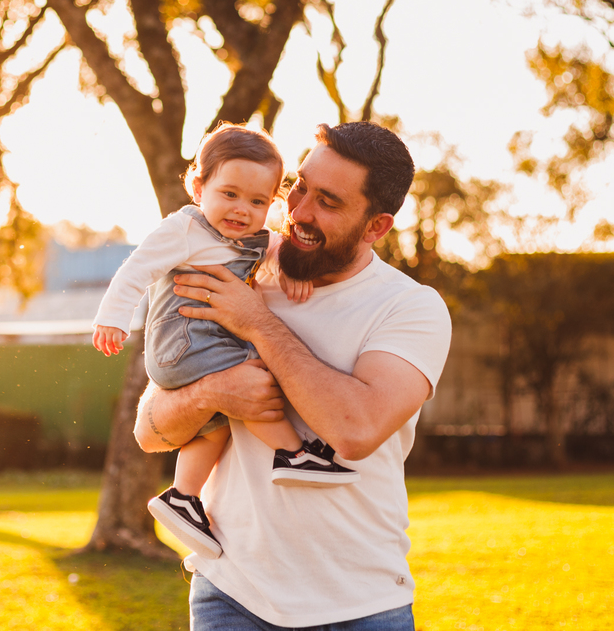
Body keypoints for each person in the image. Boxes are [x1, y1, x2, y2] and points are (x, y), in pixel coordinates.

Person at [134, 121, 452, 630]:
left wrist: (256, 322)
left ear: (376, 226)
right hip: (232, 597)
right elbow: (150, 432)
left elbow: (355, 429)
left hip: (361, 606)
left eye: (328, 202)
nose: (298, 212)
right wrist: (215, 390)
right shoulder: (233, 272)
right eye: (299, 186)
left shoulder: (410, 309)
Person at [93, 123, 358, 560]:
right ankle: (293, 453)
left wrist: (291, 271)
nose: (241, 210)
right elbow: (134, 270)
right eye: (229, 194)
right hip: (184, 342)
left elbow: (275, 249)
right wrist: (112, 319)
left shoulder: (253, 238)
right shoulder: (183, 230)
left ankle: (183, 496)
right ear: (199, 187)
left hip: (198, 347)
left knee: (218, 419)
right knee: (256, 372)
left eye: (258, 201)